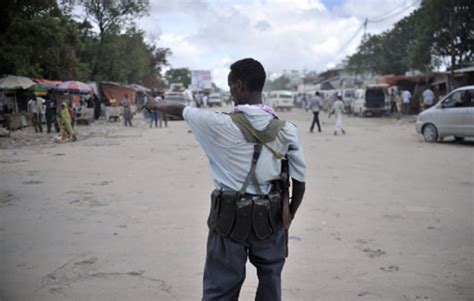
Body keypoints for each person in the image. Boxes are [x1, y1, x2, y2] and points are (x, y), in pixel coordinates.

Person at [147, 58, 306, 300]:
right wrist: (289, 215)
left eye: (230, 86)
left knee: (220, 290)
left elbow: (180, 110)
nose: (230, 93)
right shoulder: (287, 130)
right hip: (272, 220)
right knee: (271, 285)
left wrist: (154, 105)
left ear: (239, 85)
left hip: (229, 219)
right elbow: (300, 182)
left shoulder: (216, 123)